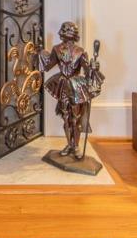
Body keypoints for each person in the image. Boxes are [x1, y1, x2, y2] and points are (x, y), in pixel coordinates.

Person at [40, 21, 104, 160]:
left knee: (75, 118)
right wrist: (41, 54)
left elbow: (88, 73)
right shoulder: (57, 49)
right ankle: (70, 144)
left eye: (65, 31)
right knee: (66, 117)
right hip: (62, 85)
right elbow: (47, 66)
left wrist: (93, 67)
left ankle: (76, 146)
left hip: (76, 87)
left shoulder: (80, 52)